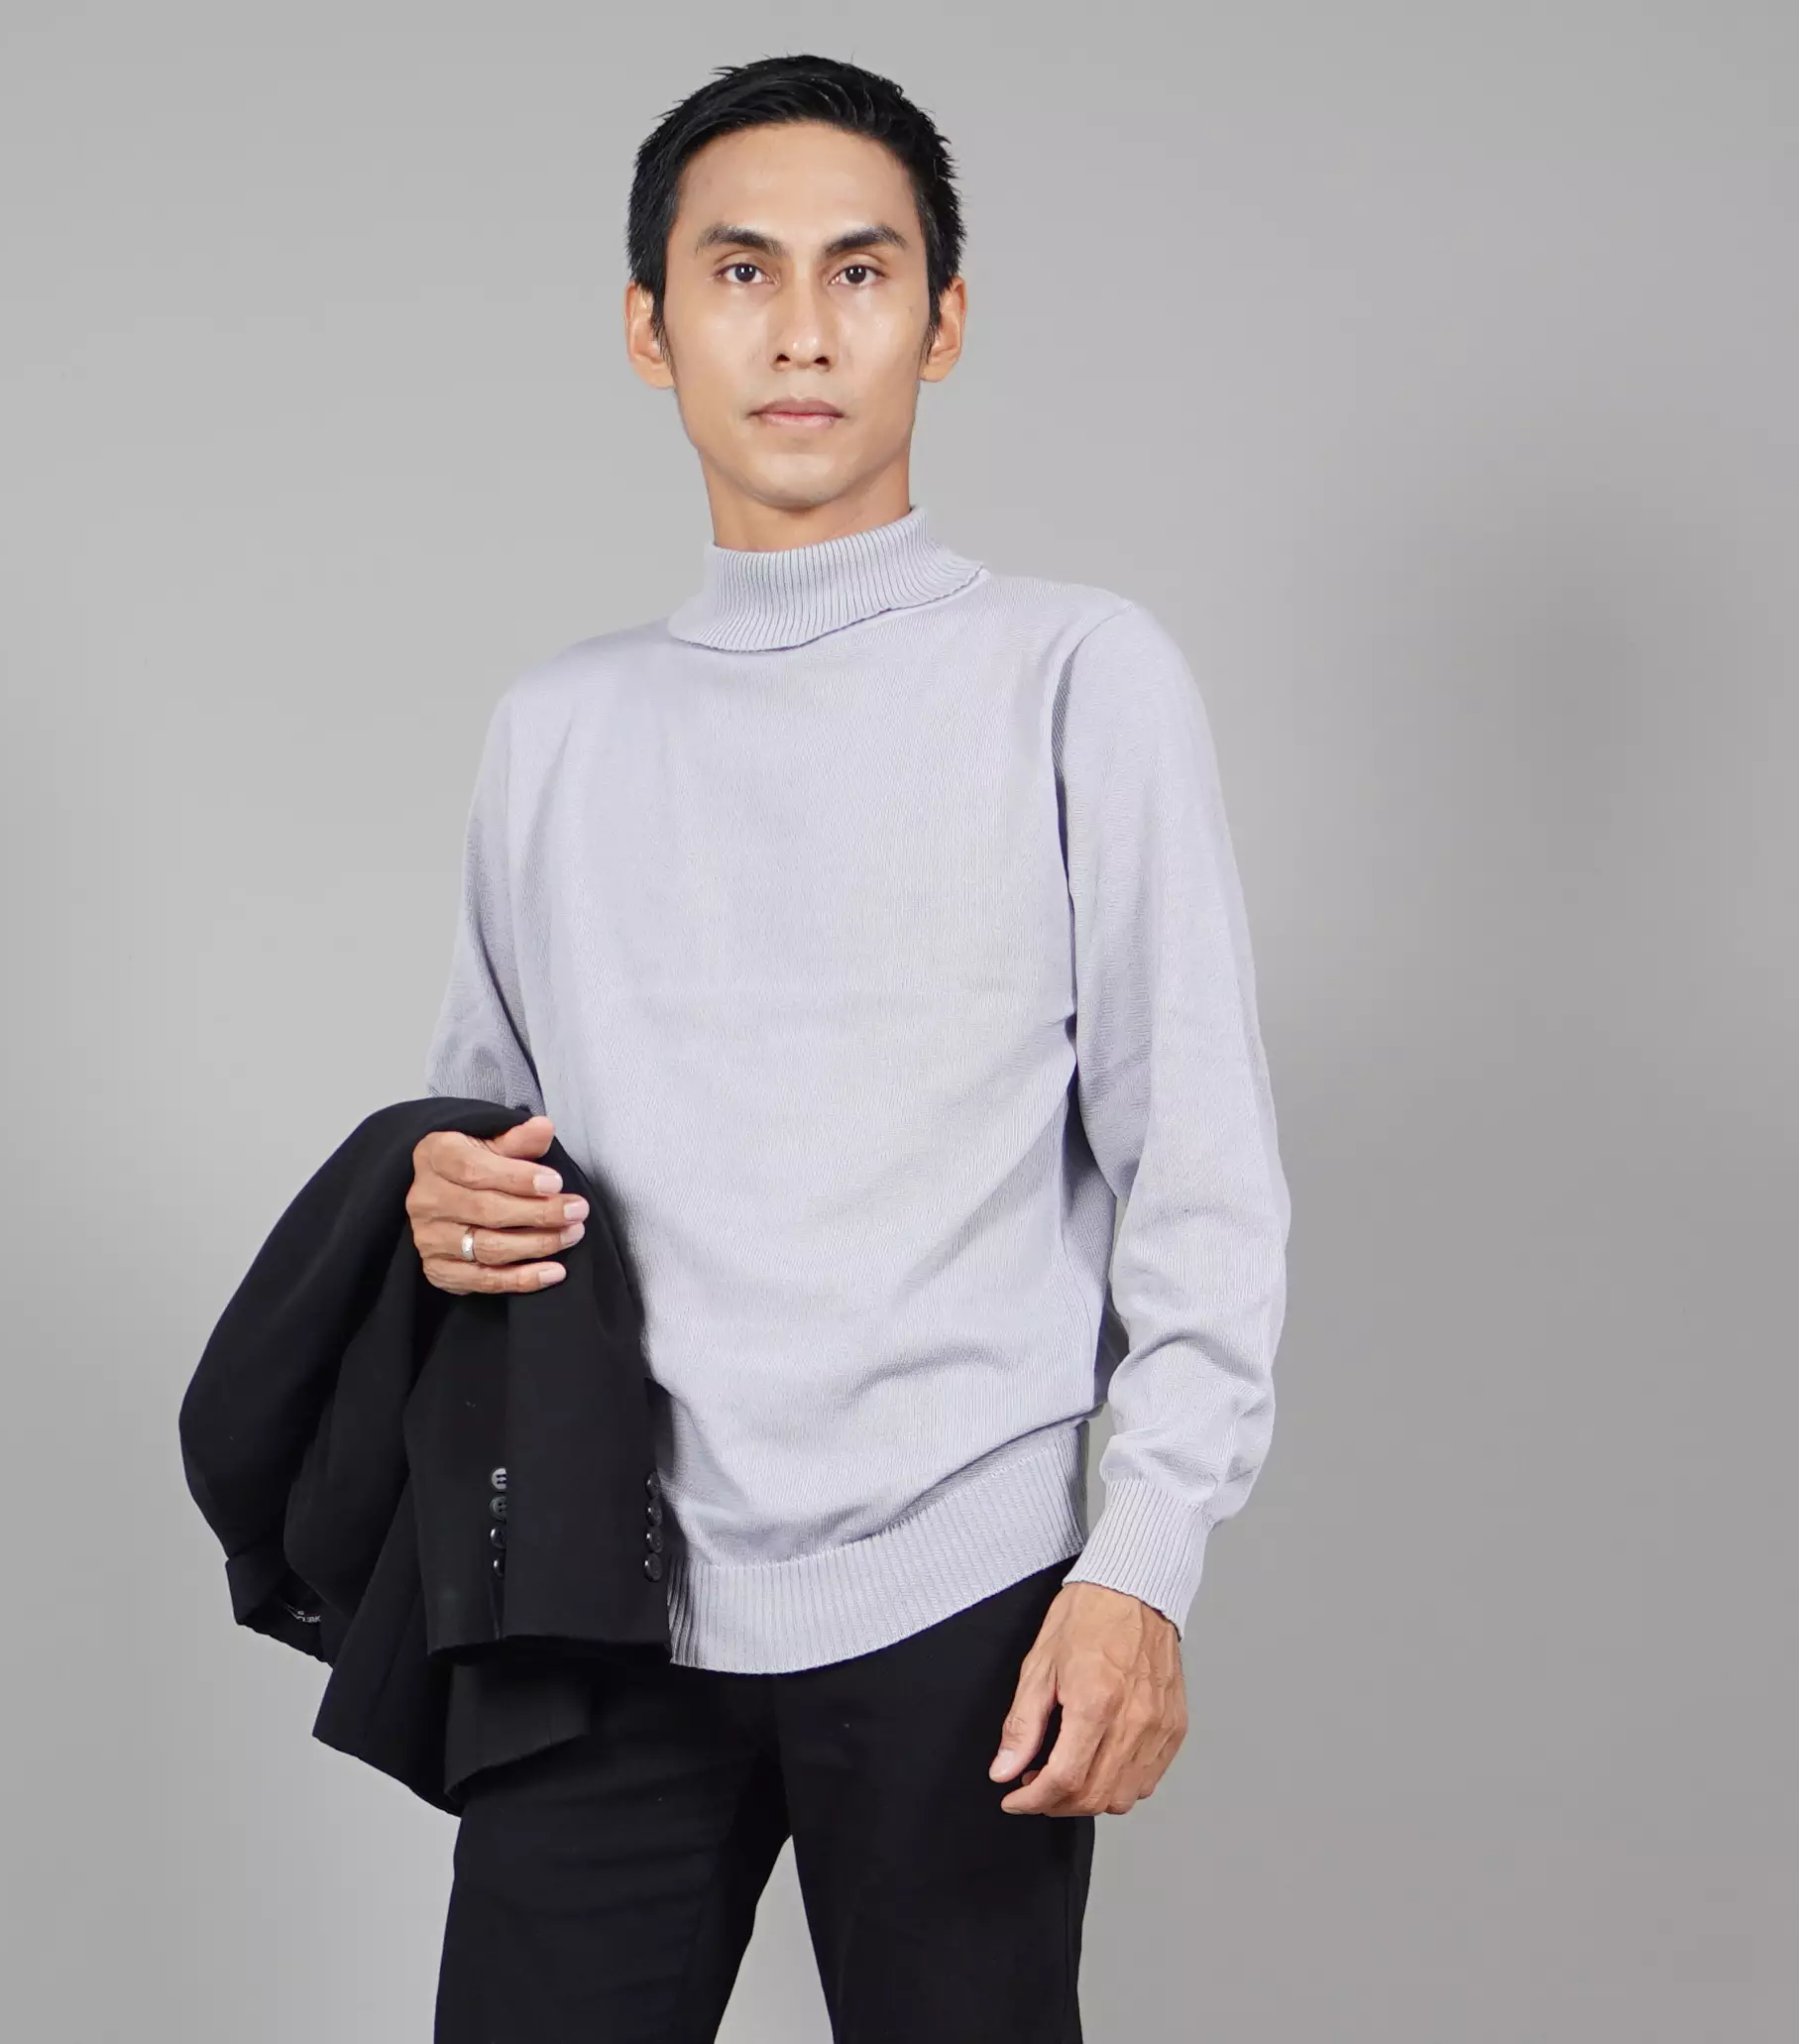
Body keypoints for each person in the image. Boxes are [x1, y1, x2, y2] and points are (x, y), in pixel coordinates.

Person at [406, 51, 1291, 2042]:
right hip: (608, 1592)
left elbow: (1200, 1166)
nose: (800, 329)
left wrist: (1138, 1560)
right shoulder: (556, 726)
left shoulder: (1074, 673)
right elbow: (483, 1130)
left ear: (940, 320)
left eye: (859, 270)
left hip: (959, 1594)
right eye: (739, 270)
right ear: (649, 327)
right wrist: (443, 1198)